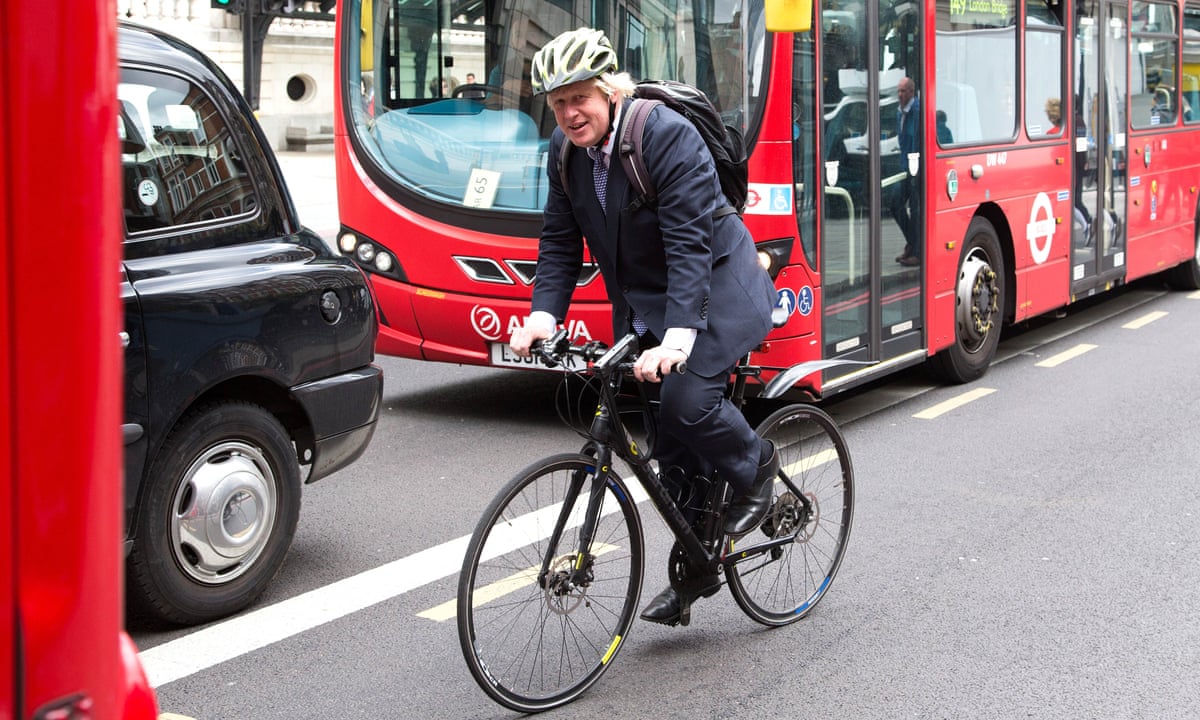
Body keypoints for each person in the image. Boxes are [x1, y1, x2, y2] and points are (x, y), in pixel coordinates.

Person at [509, 27, 780, 626]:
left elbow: (689, 244)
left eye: (578, 97)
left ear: (608, 90)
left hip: (718, 284)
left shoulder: (663, 136)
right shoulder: (565, 152)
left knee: (687, 401)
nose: (569, 114)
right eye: (557, 104)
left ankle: (756, 466)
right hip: (650, 303)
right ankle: (694, 575)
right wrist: (542, 316)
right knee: (667, 446)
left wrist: (680, 337)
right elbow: (559, 242)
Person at [891, 76, 921, 266]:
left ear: (911, 91)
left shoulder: (917, 111)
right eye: (898, 91)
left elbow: (917, 140)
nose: (900, 95)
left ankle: (917, 252)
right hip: (905, 167)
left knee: (916, 211)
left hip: (917, 168)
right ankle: (912, 243)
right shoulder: (899, 112)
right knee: (894, 204)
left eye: (903, 91)